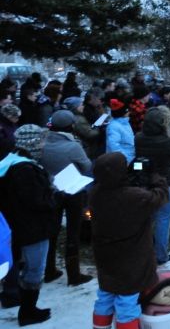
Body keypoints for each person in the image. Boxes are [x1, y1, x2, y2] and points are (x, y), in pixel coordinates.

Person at [90, 152, 169, 329]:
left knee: (105, 296)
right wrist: (155, 177)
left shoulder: (95, 193)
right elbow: (160, 196)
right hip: (131, 258)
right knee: (127, 302)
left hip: (105, 256)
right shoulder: (133, 196)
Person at [0, 125, 55, 326]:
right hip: (33, 228)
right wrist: (53, 192)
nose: (43, 144)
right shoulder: (25, 170)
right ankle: (28, 311)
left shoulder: (8, 163)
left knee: (23, 265)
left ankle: (24, 304)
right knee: (34, 269)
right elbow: (37, 202)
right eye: (40, 140)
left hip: (14, 224)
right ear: (31, 143)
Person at [39, 110, 93, 286]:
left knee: (52, 231)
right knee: (73, 231)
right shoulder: (73, 146)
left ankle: (49, 269)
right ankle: (74, 274)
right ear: (70, 126)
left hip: (52, 191)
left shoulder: (43, 143)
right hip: (73, 190)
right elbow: (86, 166)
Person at [134, 106, 170, 265]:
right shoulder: (167, 142)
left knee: (147, 218)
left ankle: (143, 251)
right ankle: (160, 255)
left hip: (144, 181)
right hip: (166, 182)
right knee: (163, 219)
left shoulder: (138, 137)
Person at [72, 93, 106, 160]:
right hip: (88, 146)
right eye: (80, 105)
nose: (83, 106)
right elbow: (89, 133)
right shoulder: (79, 119)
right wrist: (98, 127)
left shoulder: (80, 116)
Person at [106, 99, 135, 164]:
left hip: (131, 155)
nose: (129, 112)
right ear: (122, 113)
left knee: (139, 169)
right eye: (127, 111)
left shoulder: (125, 122)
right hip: (123, 160)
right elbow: (114, 146)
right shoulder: (113, 126)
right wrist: (126, 158)